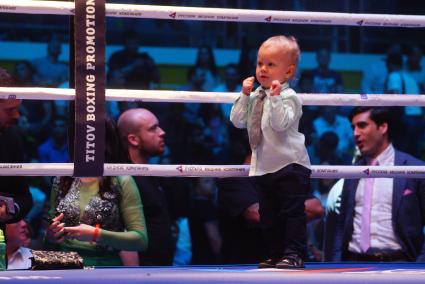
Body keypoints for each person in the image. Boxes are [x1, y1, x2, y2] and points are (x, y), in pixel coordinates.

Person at [230, 35, 311, 269]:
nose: (263, 69)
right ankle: (276, 254)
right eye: (260, 63)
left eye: (271, 64)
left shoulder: (290, 97)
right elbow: (237, 121)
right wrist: (244, 95)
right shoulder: (255, 95)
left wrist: (274, 99)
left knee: (292, 213)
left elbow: (280, 124)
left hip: (290, 165)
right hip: (264, 166)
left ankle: (294, 254)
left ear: (288, 72)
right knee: (269, 216)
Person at [45, 117, 148, 266]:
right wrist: (51, 235)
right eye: (78, 135)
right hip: (64, 267)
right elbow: (49, 234)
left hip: (104, 268)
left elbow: (140, 240)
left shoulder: (121, 180)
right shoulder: (63, 177)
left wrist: (97, 235)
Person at [332, 107, 425, 262]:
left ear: (382, 127)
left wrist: (421, 264)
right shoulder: (352, 172)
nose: (355, 133)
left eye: (362, 125)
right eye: (353, 127)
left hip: (401, 265)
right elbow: (342, 226)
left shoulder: (413, 169)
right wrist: (335, 264)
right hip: (353, 263)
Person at [117, 108, 174, 266]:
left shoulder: (147, 173)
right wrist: (135, 278)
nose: (162, 132)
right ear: (133, 139)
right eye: (153, 129)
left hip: (157, 271)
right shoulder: (125, 177)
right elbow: (123, 232)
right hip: (144, 274)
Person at [0, 67, 32, 230]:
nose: (17, 115)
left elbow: (24, 197)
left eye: (17, 108)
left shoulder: (11, 138)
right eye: (10, 110)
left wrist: (9, 210)